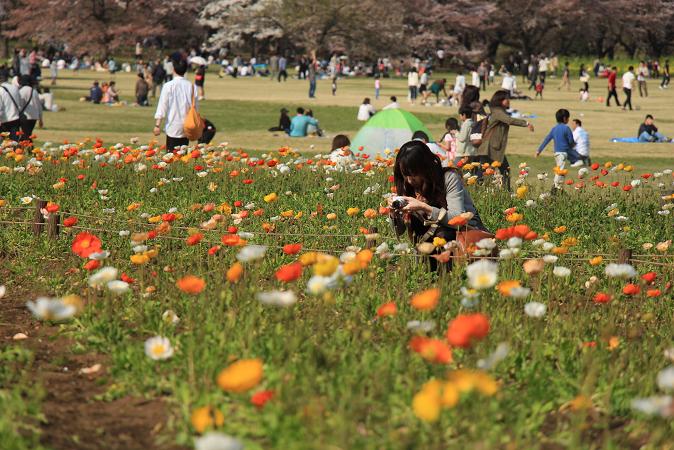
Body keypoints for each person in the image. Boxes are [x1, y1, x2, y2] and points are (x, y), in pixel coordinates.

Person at [389, 140, 488, 269]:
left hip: (460, 239)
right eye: (405, 175)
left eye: (413, 175)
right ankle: (429, 272)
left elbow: (458, 218)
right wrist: (394, 215)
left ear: (425, 168)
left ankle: (447, 276)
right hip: (428, 246)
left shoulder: (448, 178)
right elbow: (400, 231)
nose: (409, 180)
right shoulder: (407, 186)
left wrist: (424, 207)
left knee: (443, 233)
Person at [477, 90, 534, 190]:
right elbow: (509, 120)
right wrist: (526, 123)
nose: (508, 100)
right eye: (505, 99)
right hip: (490, 147)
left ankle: (503, 191)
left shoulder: (498, 110)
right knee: (499, 171)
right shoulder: (498, 112)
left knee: (492, 171)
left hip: (492, 147)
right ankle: (504, 191)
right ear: (499, 100)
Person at [153, 58, 198, 150]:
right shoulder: (192, 86)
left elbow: (162, 107)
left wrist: (157, 125)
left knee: (171, 156)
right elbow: (196, 108)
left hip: (173, 125)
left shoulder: (168, 86)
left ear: (173, 70)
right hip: (187, 125)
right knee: (183, 156)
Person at [535, 109, 579, 189]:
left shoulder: (554, 129)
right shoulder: (566, 128)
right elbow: (571, 141)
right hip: (564, 153)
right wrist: (573, 144)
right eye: (568, 118)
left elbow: (547, 139)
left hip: (556, 153)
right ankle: (556, 187)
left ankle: (557, 186)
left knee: (559, 168)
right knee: (560, 170)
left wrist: (539, 150)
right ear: (565, 118)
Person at [18, 75, 42, 140]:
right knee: (28, 134)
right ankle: (28, 148)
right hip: (34, 116)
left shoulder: (22, 91)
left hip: (26, 116)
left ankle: (24, 148)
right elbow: (39, 106)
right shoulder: (34, 91)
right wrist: (41, 119)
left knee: (26, 135)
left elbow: (20, 105)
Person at [0, 74, 22, 141]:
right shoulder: (14, 87)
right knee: (14, 142)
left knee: (4, 144)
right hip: (16, 117)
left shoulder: (0, 89)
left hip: (5, 119)